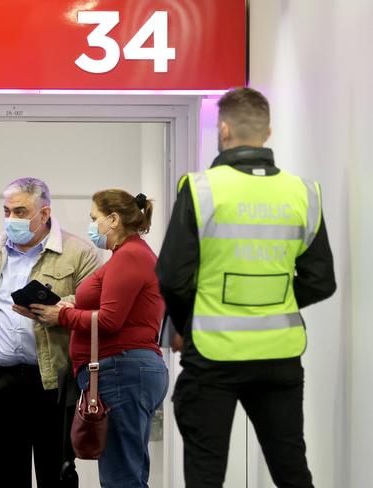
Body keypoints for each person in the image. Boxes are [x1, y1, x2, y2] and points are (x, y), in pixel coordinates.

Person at [157, 87, 337, 488]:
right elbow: (321, 279)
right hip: (280, 356)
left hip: (213, 355)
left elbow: (172, 275)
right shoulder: (303, 193)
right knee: (291, 469)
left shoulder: (202, 189)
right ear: (267, 132)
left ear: (223, 130)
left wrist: (187, 326)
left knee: (206, 474)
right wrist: (275, 301)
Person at [0, 177, 100, 488]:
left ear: (44, 214)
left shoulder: (79, 253)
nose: (11, 219)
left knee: (56, 472)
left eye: (20, 212)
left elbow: (95, 307)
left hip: (54, 382)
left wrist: (59, 311)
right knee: (6, 474)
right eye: (7, 211)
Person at [31, 189, 169, 488]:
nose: (92, 225)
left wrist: (62, 316)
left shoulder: (130, 256)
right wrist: (73, 307)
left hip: (122, 372)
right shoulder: (129, 256)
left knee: (122, 477)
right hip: (126, 372)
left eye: (95, 218)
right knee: (126, 471)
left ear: (114, 219)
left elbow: (108, 320)